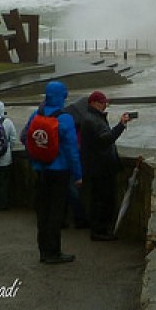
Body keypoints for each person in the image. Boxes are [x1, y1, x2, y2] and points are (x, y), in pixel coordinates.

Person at [22, 80, 82, 264]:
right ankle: (53, 253)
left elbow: (25, 137)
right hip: (60, 171)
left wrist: (36, 159)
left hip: (41, 170)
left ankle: (43, 251)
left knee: (43, 212)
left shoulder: (36, 114)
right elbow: (73, 150)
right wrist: (78, 174)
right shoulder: (64, 118)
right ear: (62, 96)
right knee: (56, 212)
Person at [79, 90, 131, 241]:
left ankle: (101, 230)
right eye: (103, 102)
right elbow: (105, 140)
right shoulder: (92, 120)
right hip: (99, 169)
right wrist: (121, 125)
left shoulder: (93, 118)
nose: (105, 105)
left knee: (101, 200)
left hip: (100, 167)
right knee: (101, 201)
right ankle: (99, 231)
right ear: (94, 103)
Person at [61, 95, 91, 228]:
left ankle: (62, 219)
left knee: (64, 192)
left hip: (58, 164)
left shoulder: (61, 122)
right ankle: (80, 219)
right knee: (73, 191)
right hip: (71, 164)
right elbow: (75, 150)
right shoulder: (77, 129)